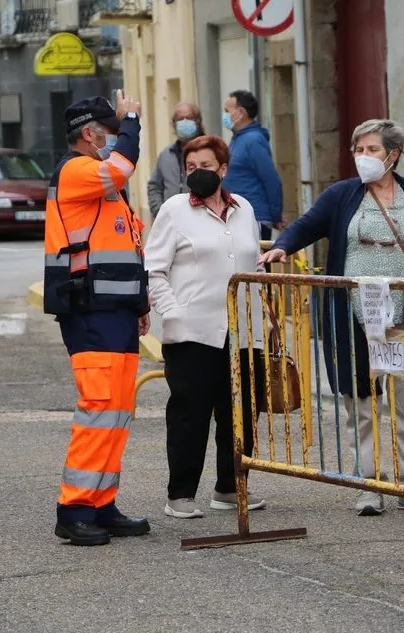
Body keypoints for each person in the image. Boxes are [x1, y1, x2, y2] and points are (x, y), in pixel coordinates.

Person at [261, 119, 404, 516]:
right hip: (355, 319)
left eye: (372, 150)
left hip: (403, 320)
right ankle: (368, 485)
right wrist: (281, 247)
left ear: (393, 155)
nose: (363, 158)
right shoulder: (342, 195)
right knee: (360, 404)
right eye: (358, 150)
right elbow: (307, 225)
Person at [43, 91, 152, 546]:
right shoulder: (78, 171)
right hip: (90, 310)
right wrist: (132, 124)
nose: (115, 136)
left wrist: (141, 302)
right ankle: (73, 509)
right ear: (91, 133)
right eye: (109, 128)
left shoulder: (103, 187)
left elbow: (126, 248)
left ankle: (102, 504)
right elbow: (121, 166)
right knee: (99, 409)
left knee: (118, 412)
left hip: (116, 309)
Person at [146, 134, 267, 519]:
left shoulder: (244, 207)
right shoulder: (174, 209)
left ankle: (230, 487)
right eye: (191, 167)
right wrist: (172, 310)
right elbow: (154, 269)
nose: (198, 173)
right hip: (194, 331)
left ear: (224, 170)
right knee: (190, 414)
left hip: (245, 328)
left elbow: (251, 258)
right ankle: (180, 494)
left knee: (244, 410)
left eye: (206, 167)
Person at [221, 90, 285, 240]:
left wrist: (275, 215)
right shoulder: (238, 139)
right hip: (238, 217)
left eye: (227, 111)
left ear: (241, 112)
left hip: (254, 218)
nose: (224, 116)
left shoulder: (253, 140)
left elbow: (271, 179)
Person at [146, 101, 204, 219]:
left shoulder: (210, 152)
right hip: (170, 222)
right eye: (180, 119)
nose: (184, 122)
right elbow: (154, 186)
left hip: (200, 220)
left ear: (197, 121)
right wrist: (160, 212)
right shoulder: (166, 155)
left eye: (189, 118)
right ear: (174, 123)